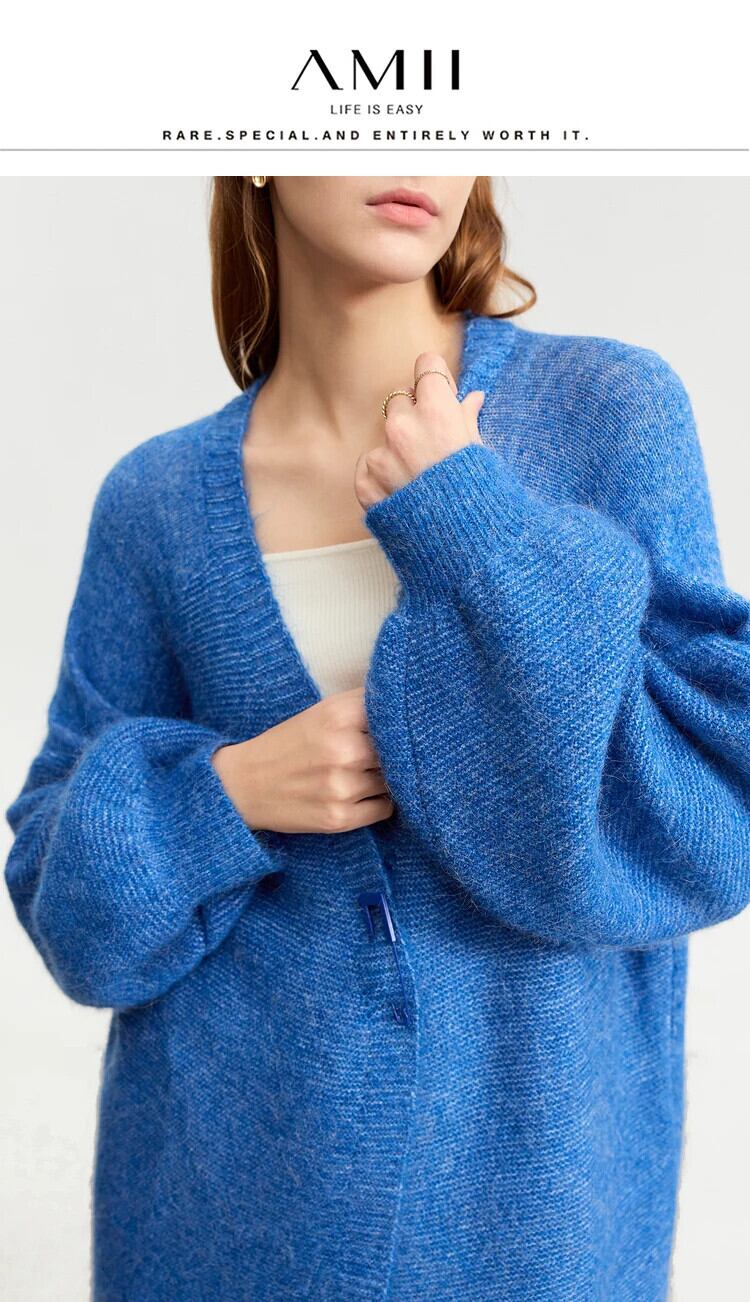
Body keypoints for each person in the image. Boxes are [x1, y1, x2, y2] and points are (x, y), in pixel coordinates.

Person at [6, 175, 750, 1302]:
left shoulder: (607, 411)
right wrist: (224, 793)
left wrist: (469, 515)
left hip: (534, 1224)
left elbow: (718, 806)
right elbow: (70, 910)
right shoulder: (155, 501)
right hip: (216, 1226)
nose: (408, 143)